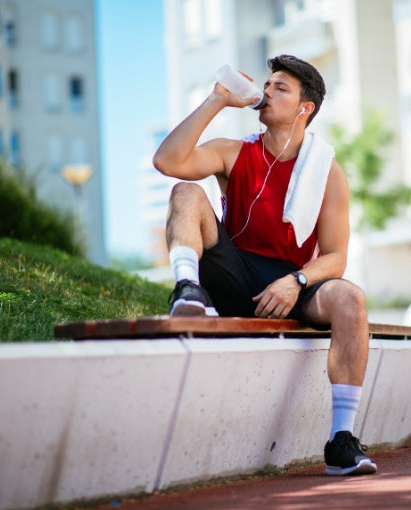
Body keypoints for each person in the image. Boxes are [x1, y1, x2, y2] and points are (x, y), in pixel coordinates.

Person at [153, 55, 376, 476]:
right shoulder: (234, 153)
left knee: (350, 297)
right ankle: (186, 290)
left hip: (288, 283)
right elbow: (167, 162)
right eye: (268, 84)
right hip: (231, 271)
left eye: (281, 88)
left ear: (305, 108)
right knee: (185, 191)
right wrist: (217, 99)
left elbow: (336, 256)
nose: (267, 92)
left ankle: (342, 441)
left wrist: (296, 280)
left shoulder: (327, 172)